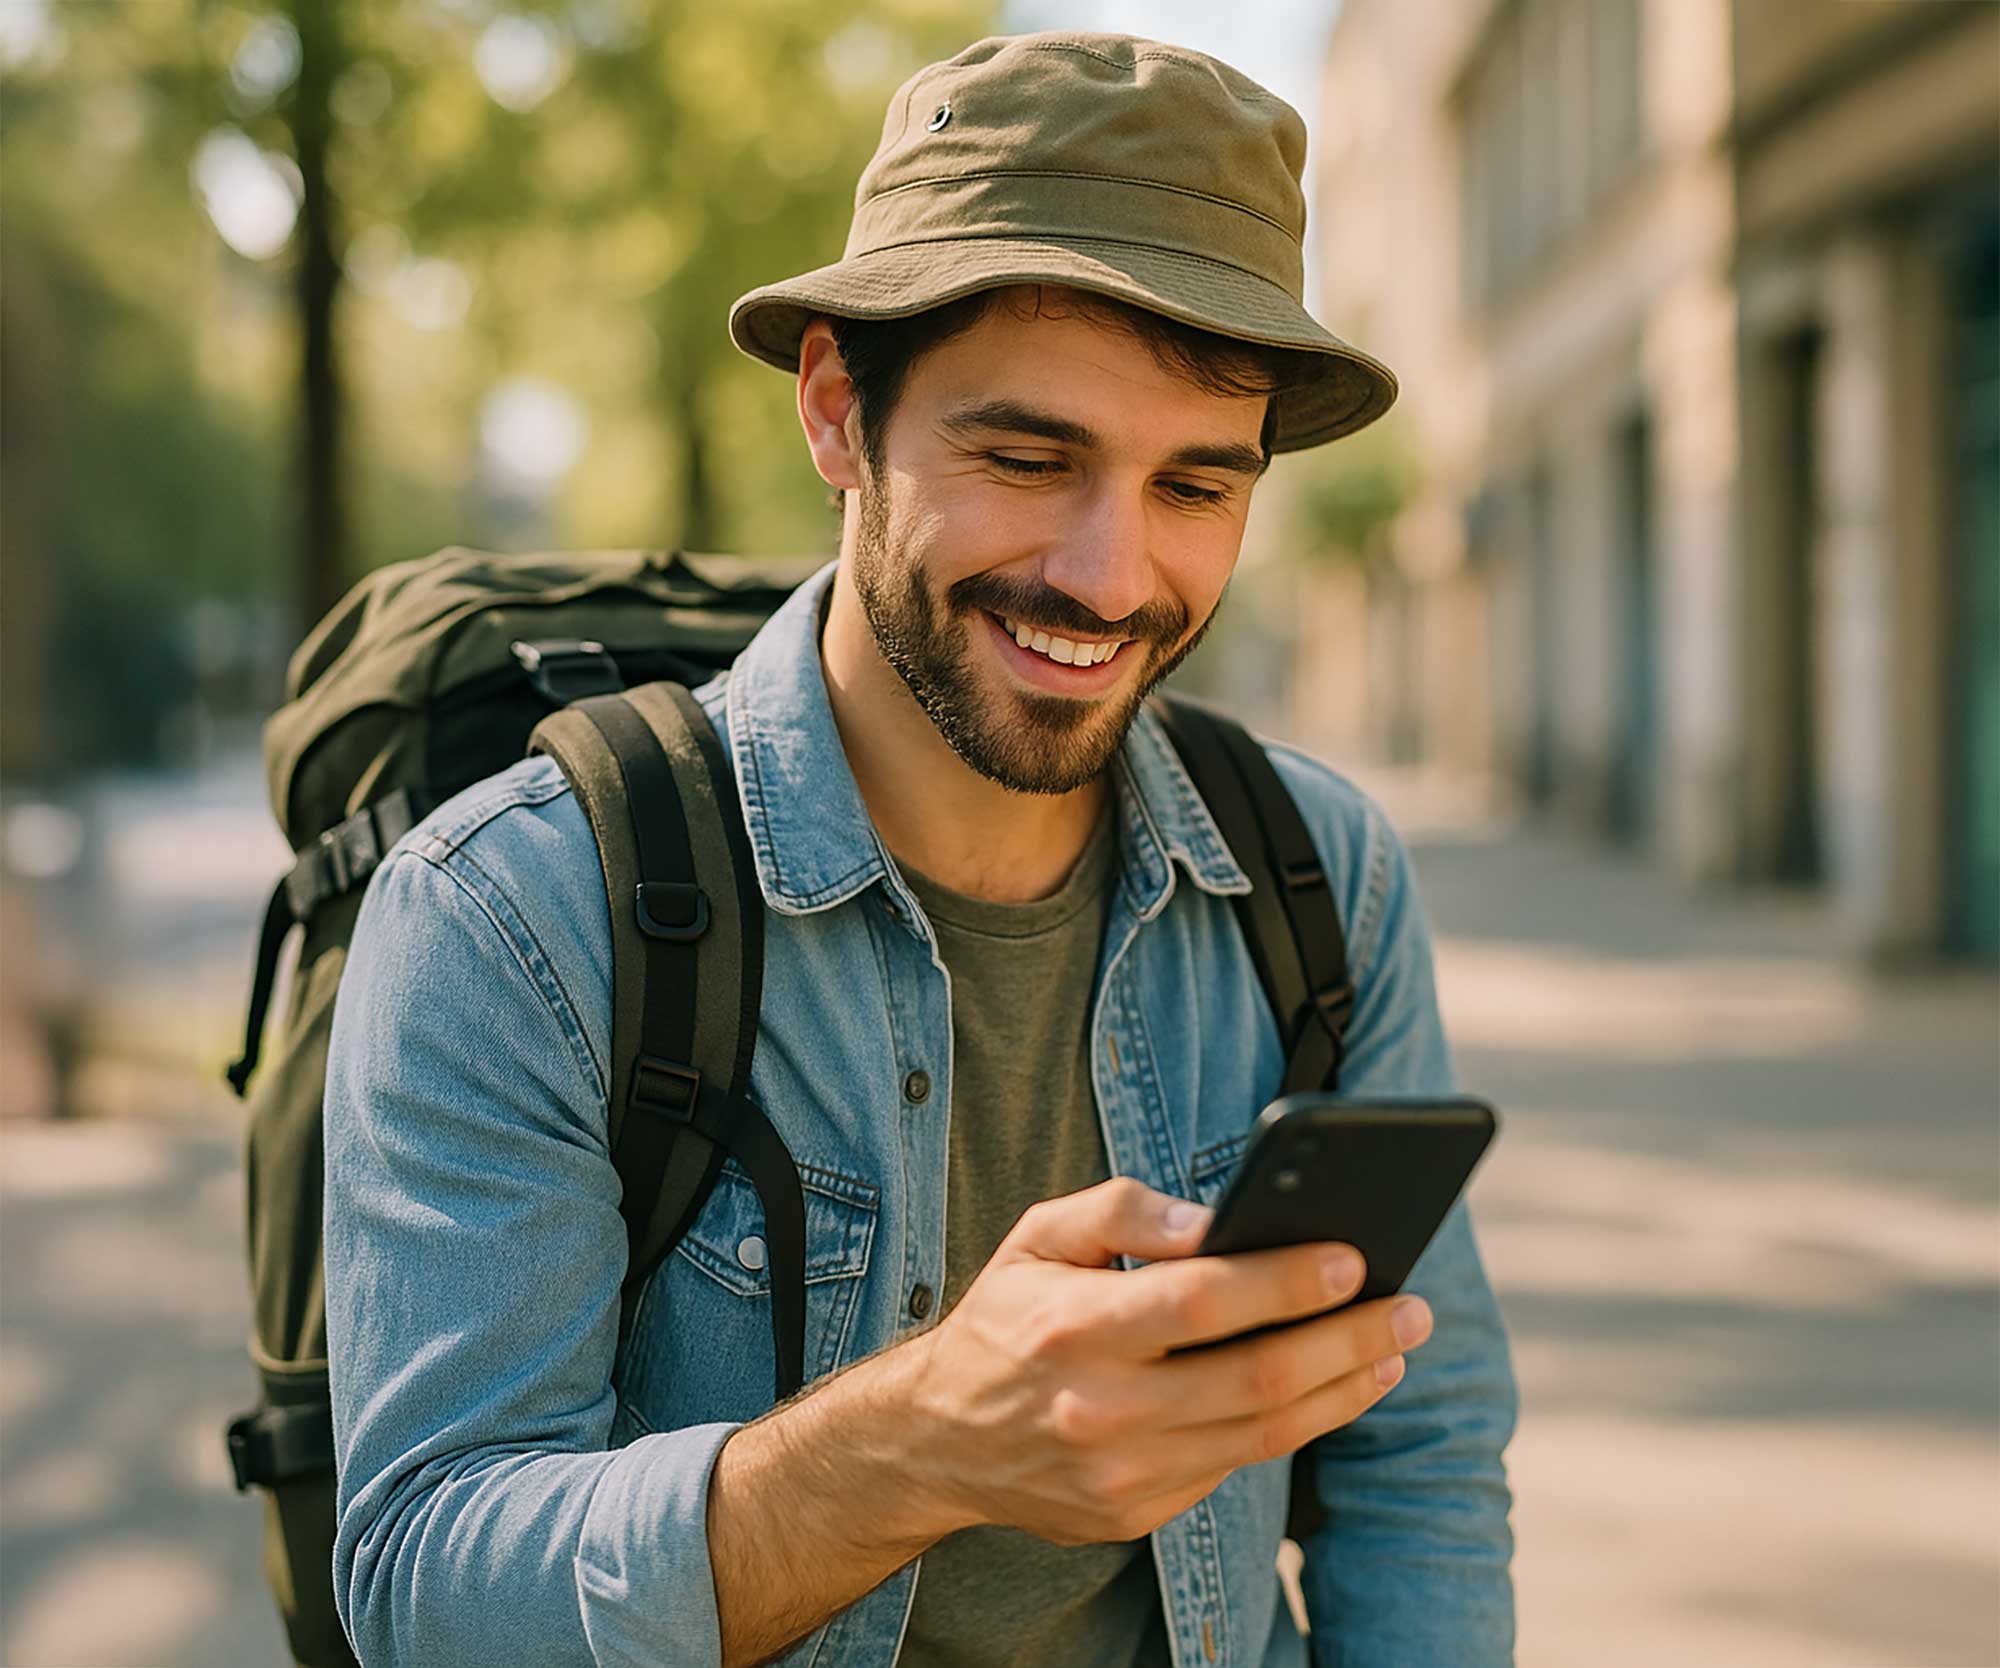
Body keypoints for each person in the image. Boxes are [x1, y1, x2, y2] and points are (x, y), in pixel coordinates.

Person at [323, 30, 1518, 1668]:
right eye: (1028, 459)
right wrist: (917, 1445)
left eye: (1195, 486)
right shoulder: (514, 909)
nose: (1112, 575)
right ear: (836, 411)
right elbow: (426, 1587)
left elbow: (1419, 1465)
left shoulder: (1321, 875)